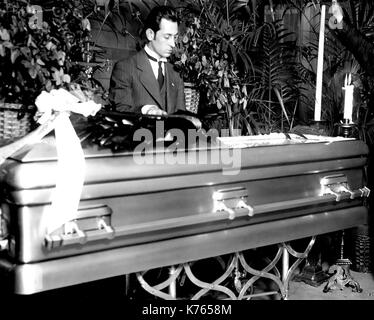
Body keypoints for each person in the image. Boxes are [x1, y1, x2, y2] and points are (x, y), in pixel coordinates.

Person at [108, 6, 186, 116]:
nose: (173, 44)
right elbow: (119, 111)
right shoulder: (125, 68)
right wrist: (146, 110)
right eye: (167, 37)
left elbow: (181, 116)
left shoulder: (176, 73)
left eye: (175, 37)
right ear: (150, 34)